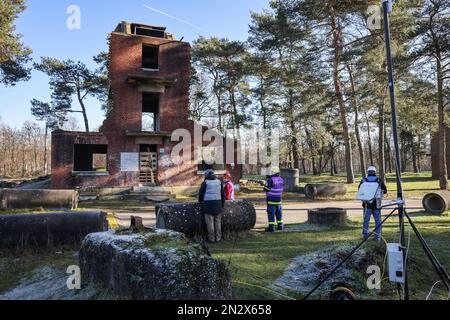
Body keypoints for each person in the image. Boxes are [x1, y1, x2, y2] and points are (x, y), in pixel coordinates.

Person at [358, 166, 387, 240]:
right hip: (376, 204)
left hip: (366, 204)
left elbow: (359, 190)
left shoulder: (364, 180)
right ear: (375, 172)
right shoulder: (379, 180)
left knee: (366, 220)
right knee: (378, 220)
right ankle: (377, 236)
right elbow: (385, 191)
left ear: (368, 172)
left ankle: (365, 236)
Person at [199, 169, 225, 243]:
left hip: (208, 204)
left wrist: (200, 202)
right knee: (218, 222)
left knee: (210, 223)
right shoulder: (219, 182)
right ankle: (218, 238)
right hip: (218, 204)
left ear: (206, 175)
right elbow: (223, 195)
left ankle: (211, 239)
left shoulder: (205, 183)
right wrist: (222, 204)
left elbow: (201, 195)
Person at [263, 167, 284, 232]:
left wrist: (264, 185)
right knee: (279, 213)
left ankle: (271, 228)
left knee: (271, 214)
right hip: (279, 200)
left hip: (271, 200)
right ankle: (280, 226)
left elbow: (266, 189)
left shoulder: (270, 179)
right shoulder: (281, 179)